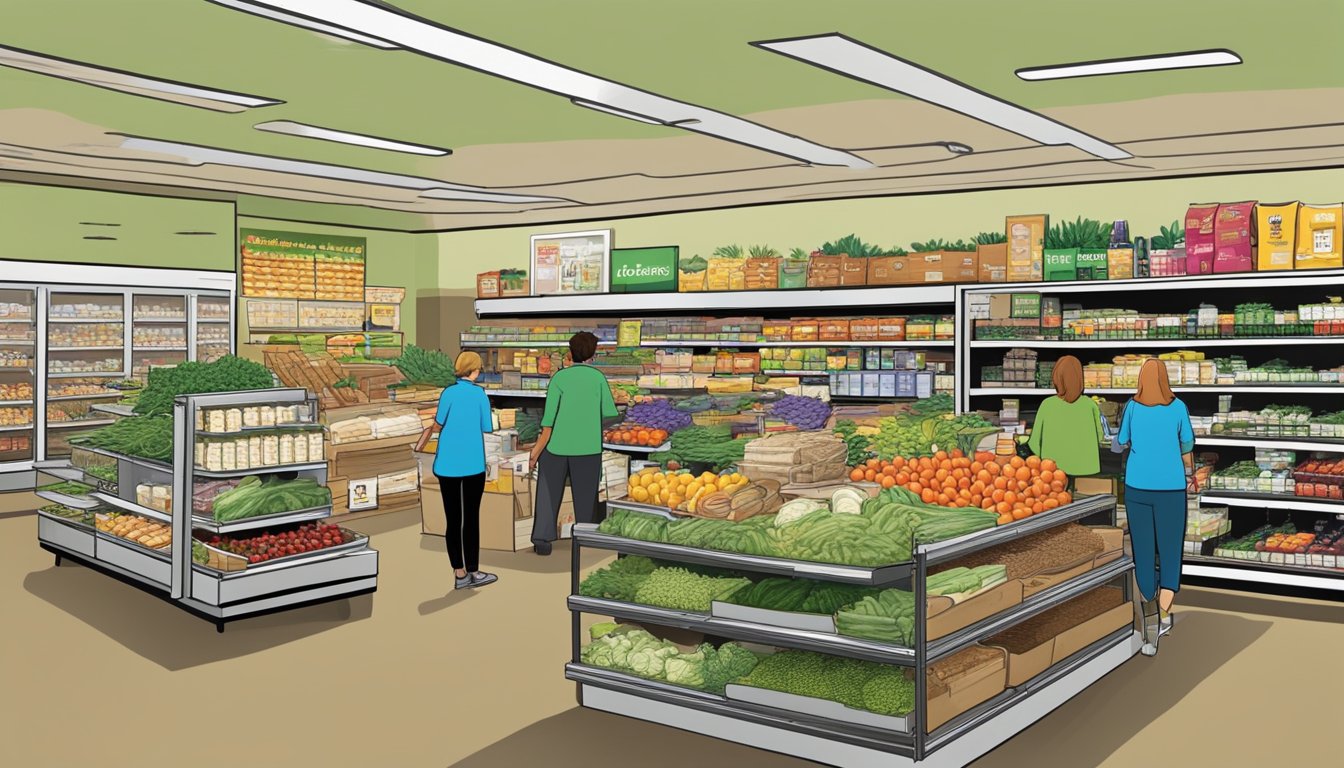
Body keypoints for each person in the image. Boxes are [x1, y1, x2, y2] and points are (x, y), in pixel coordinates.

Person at [1114, 358, 1196, 657]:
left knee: (1144, 552)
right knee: (1171, 550)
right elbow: (1187, 444)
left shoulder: (1132, 407)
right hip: (1171, 489)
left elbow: (1120, 440)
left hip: (1137, 487)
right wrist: (1185, 465)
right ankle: (1164, 614)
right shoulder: (1178, 407)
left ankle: (1149, 631)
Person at [529, 332, 619, 555]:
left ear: (570, 353)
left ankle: (542, 539)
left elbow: (548, 421)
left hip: (556, 447)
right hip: (587, 448)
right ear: (593, 354)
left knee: (549, 493)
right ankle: (584, 539)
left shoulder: (559, 378)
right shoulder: (598, 378)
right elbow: (609, 413)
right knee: (585, 495)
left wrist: (534, 454)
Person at [431, 351, 498, 590]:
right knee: (471, 518)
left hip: (447, 464)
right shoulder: (479, 394)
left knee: (453, 518)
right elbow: (487, 426)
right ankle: (474, 570)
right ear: (476, 370)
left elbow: (439, 423)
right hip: (472, 464)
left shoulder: (448, 393)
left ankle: (459, 574)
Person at [1026, 355, 1104, 483]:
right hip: (1086, 471)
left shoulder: (1047, 405)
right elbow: (1100, 438)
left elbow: (1034, 442)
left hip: (1053, 473)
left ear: (1056, 378)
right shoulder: (1090, 405)